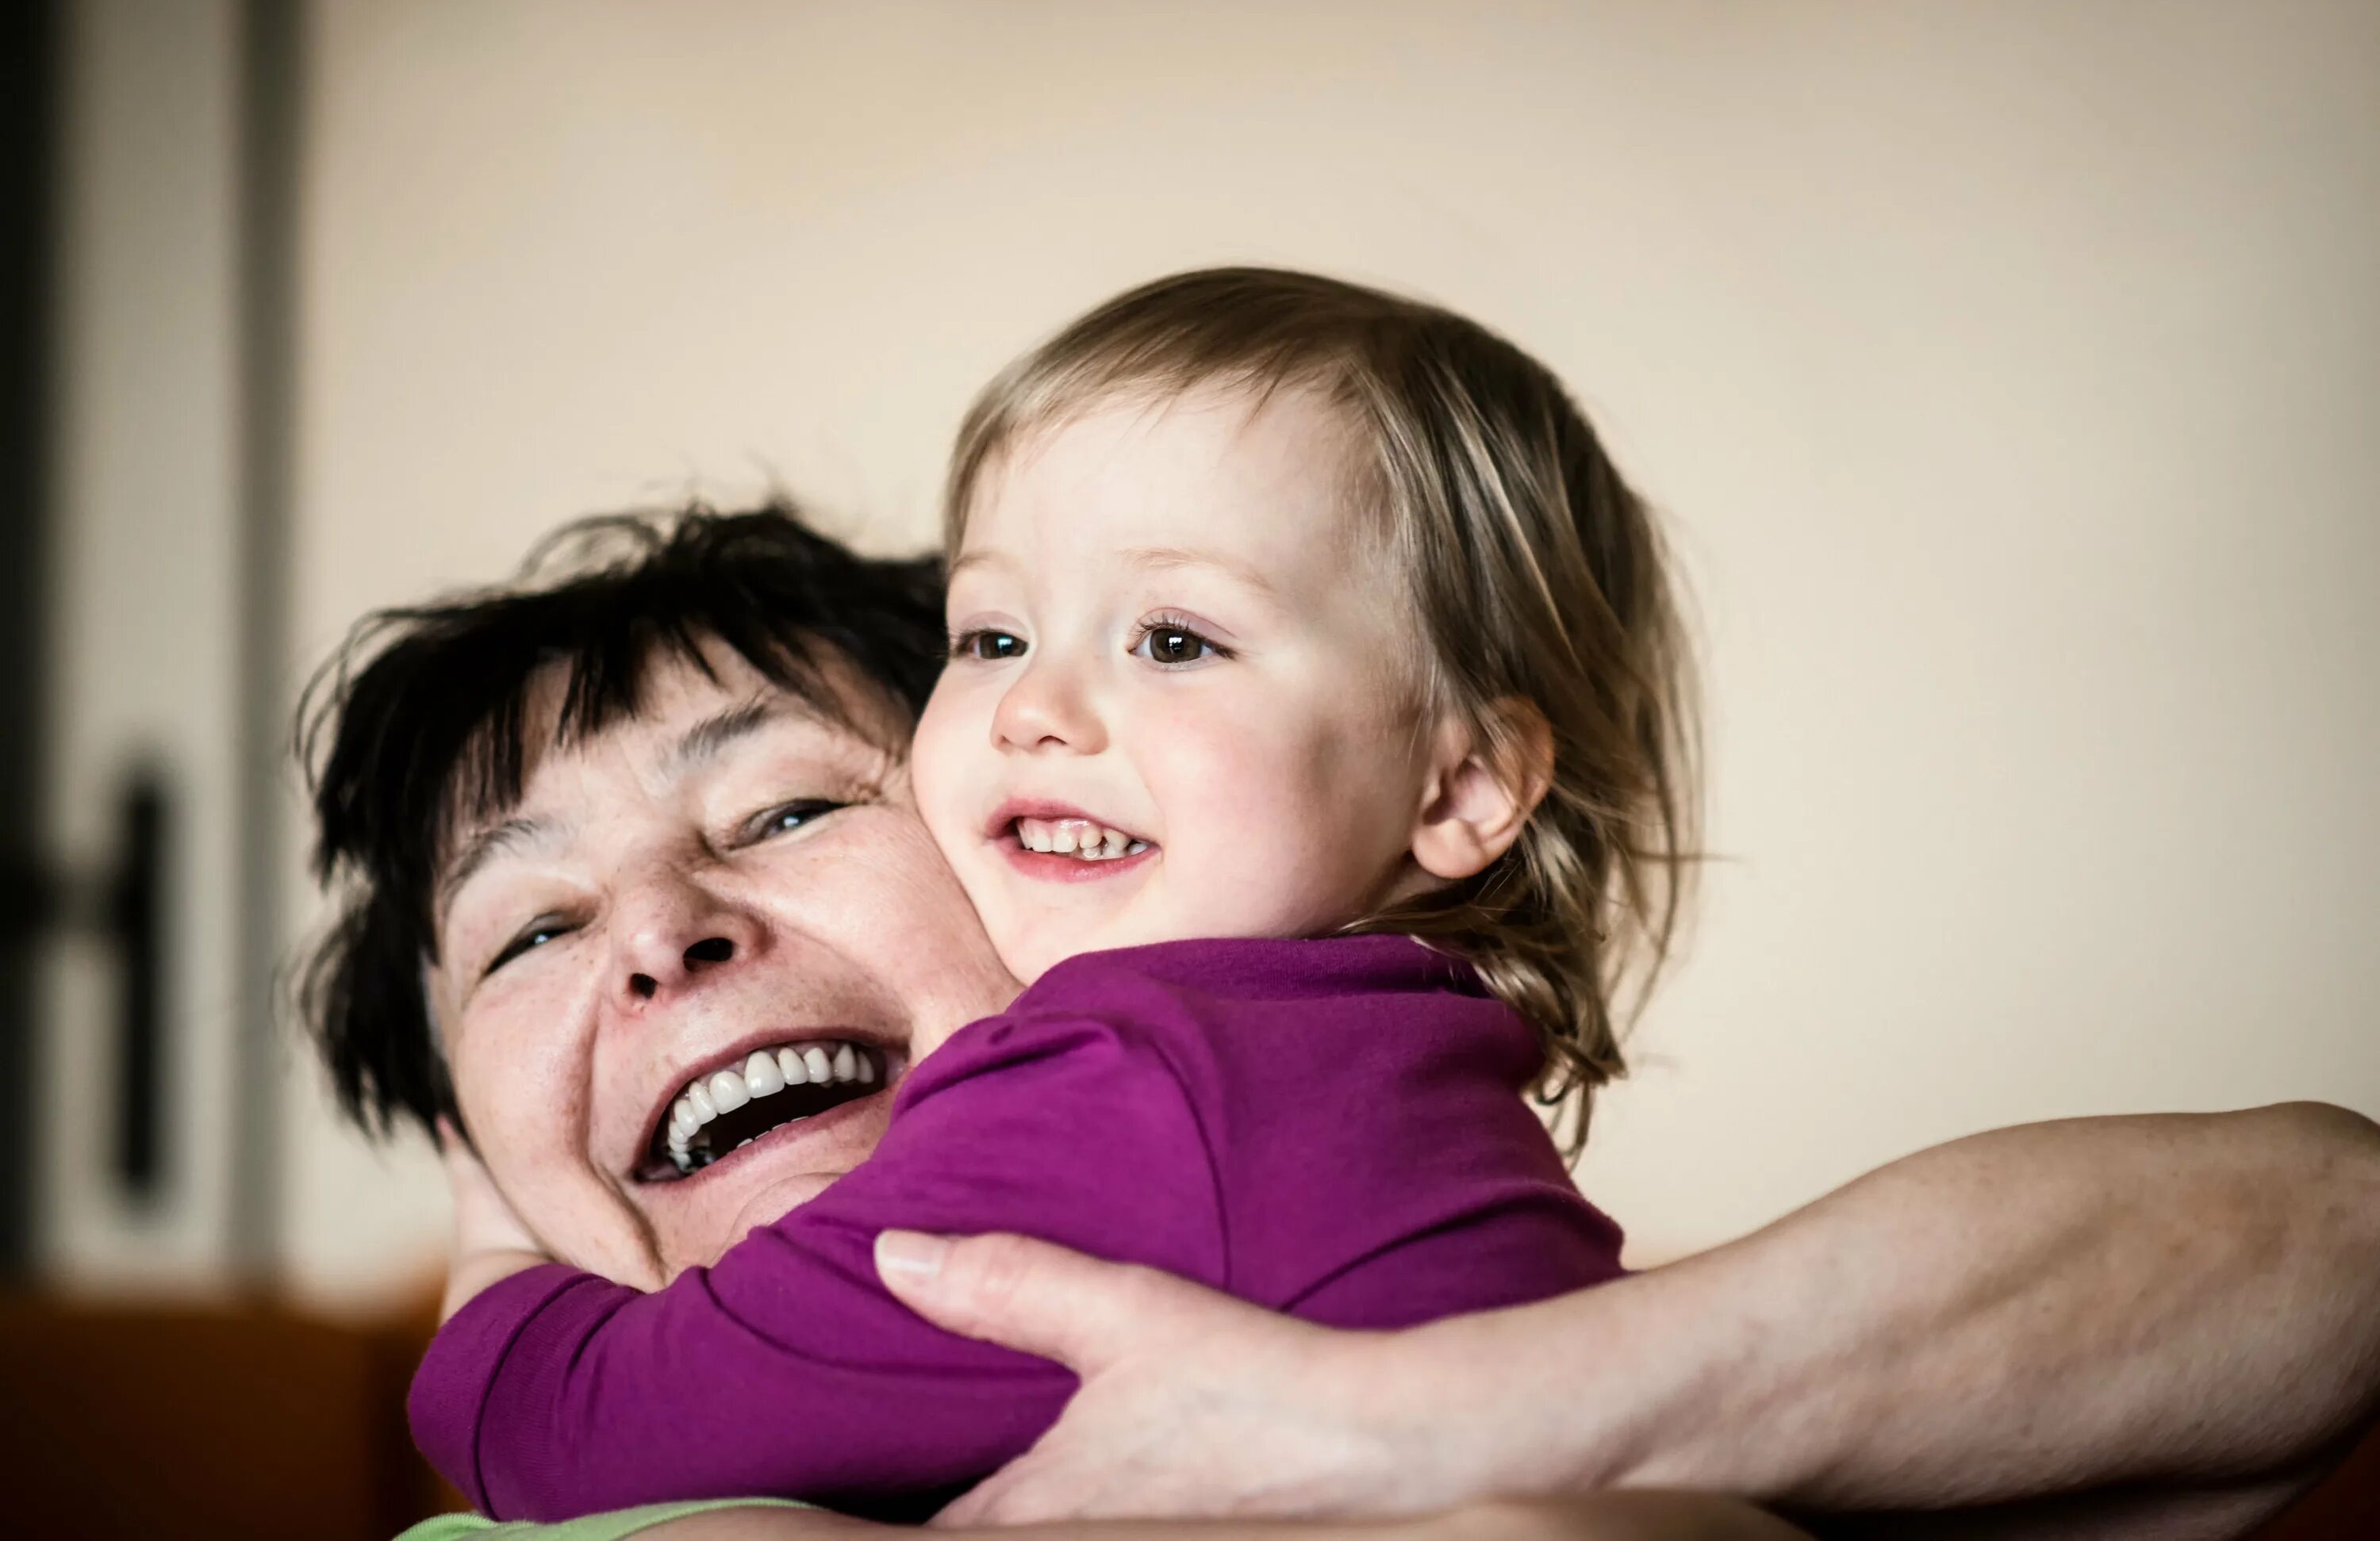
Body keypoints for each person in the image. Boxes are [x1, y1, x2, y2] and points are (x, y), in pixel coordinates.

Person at [301, 527, 2378, 1540]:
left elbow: (2332, 1239)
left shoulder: (1507, 1353)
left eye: (784, 809)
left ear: (1064, 848)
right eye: (531, 932)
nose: (661, 933)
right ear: (477, 1137)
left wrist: (1451, 1426)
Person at [408, 267, 1695, 1518]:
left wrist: (493, 1269)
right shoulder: (1387, 1052)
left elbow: (602, 1428)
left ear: (1461, 784)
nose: (1033, 708)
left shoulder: (1134, 1076)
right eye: (994, 637)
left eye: (1175, 639)